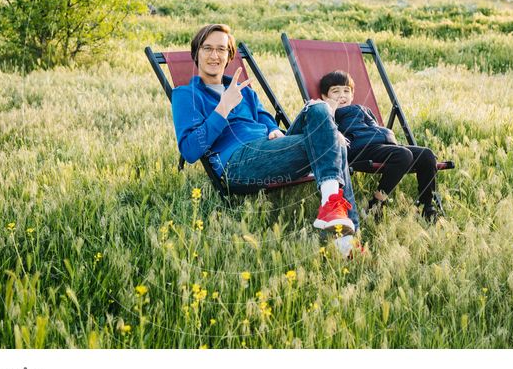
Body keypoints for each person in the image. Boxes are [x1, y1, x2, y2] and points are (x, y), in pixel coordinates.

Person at [171, 24, 361, 254]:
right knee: (333, 142)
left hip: (270, 147)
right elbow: (190, 151)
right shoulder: (185, 95)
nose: (214, 55)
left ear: (229, 55)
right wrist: (223, 108)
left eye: (221, 49)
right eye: (207, 48)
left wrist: (274, 129)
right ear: (196, 53)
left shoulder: (245, 92)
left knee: (318, 107)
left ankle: (331, 206)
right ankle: (347, 243)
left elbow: (265, 119)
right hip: (238, 162)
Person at [318, 70, 440, 223]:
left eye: (346, 91)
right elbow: (325, 132)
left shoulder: (362, 109)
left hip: (383, 144)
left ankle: (427, 205)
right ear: (324, 96)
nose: (342, 95)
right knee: (403, 155)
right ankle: (375, 204)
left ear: (352, 95)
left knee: (426, 155)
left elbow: (374, 125)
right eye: (335, 91)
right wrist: (329, 109)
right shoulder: (325, 113)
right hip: (360, 148)